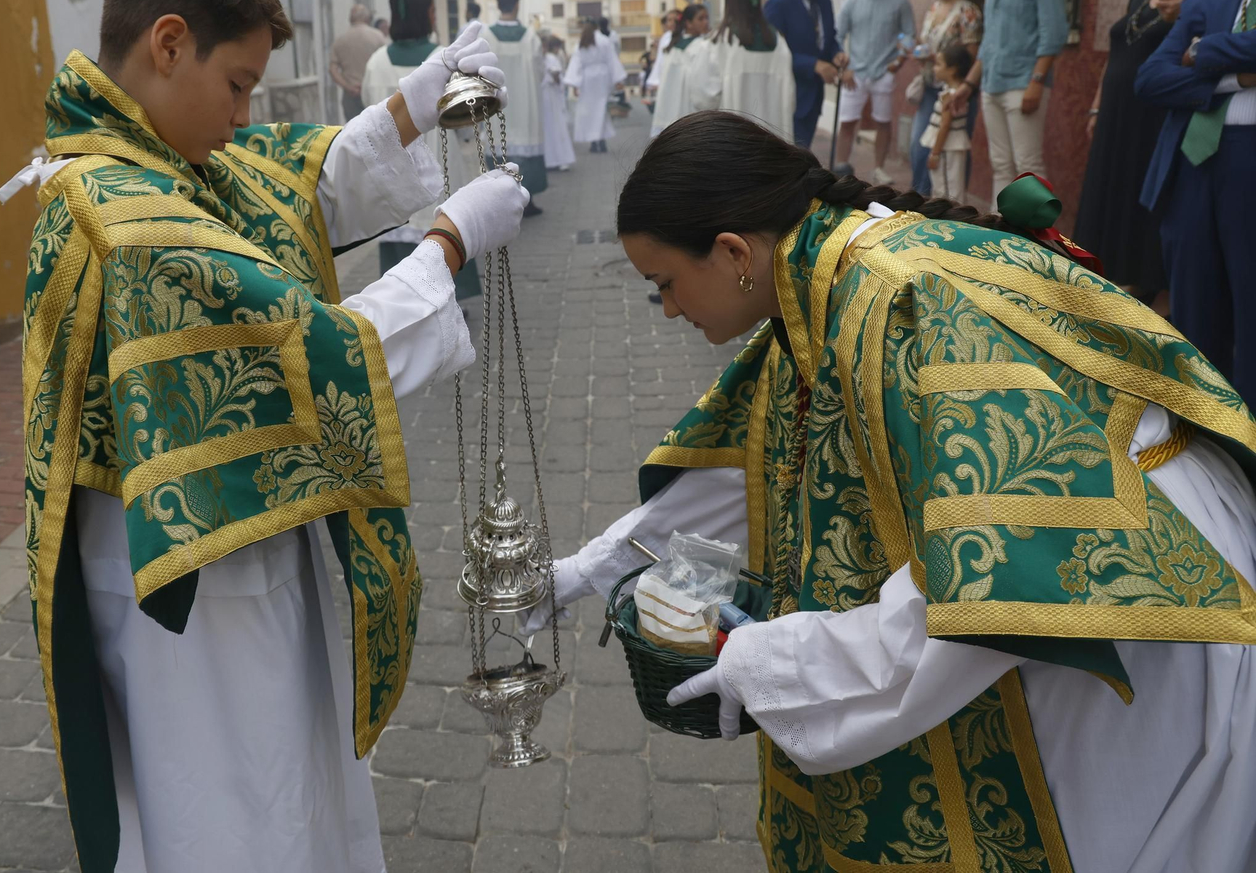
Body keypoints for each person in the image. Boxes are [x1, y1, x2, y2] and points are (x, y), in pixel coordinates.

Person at [526, 109, 1256, 873]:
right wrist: (589, 569)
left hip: (1138, 589)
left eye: (666, 284)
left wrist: (777, 662)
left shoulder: (891, 300)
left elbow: (995, 566)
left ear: (733, 251)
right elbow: (759, 461)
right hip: (1073, 553)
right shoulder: (811, 283)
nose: (670, 309)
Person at [8, 0, 529, 872]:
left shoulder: (154, 155)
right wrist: (446, 245)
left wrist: (408, 110)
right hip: (197, 588)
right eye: (238, 84)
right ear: (169, 45)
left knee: (285, 780)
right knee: (239, 803)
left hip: (227, 537)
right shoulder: (123, 212)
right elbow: (308, 350)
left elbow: (283, 187)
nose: (246, 115)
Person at [1137, 0, 1256, 404]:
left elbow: (1190, 58)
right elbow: (1152, 78)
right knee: (1192, 306)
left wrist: (1207, 53)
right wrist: (1236, 75)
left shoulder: (1205, 18)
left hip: (1249, 164)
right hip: (1191, 163)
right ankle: (1197, 423)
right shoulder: (1211, 1)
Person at [1076, 0, 1227, 310]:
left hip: (1157, 114)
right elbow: (1118, 49)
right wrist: (1095, 105)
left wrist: (1183, 17)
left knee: (1142, 192)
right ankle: (1105, 270)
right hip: (1116, 111)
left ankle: (1143, 284)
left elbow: (1204, 57)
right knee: (1110, 185)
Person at [360, 0, 482, 298]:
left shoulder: (375, 62)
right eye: (432, 11)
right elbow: (463, 120)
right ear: (424, 16)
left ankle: (401, 307)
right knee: (439, 233)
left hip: (390, 172)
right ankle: (447, 302)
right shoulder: (440, 59)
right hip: (439, 167)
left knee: (399, 243)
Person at [952, 0, 1069, 197]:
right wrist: (969, 84)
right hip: (991, 85)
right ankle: (1001, 231)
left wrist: (1037, 83)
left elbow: (1053, 31)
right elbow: (990, 39)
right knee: (1001, 164)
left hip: (1023, 84)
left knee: (1027, 165)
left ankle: (1035, 236)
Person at [833, 0, 915, 182]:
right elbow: (837, 36)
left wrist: (898, 62)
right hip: (855, 73)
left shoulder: (900, 0)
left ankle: (878, 168)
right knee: (847, 121)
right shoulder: (852, 0)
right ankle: (840, 168)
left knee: (883, 122)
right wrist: (842, 64)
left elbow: (909, 34)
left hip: (884, 72)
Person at [906, 0, 983, 196]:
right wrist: (920, 52)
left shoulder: (968, 11)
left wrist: (939, 59)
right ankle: (920, 201)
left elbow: (970, 55)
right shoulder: (934, 7)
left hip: (954, 90)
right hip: (930, 86)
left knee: (952, 154)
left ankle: (951, 207)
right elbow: (924, 40)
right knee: (919, 146)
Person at [765, 0, 844, 148]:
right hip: (789, 95)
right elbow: (772, 54)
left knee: (803, 155)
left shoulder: (825, 2)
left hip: (814, 97)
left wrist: (837, 54)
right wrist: (813, 65)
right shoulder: (778, 4)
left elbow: (829, 39)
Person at [482, 0, 547, 215]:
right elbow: (540, 71)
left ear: (499, 4)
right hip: (525, 105)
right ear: (517, 4)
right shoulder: (530, 37)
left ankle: (500, 203)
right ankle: (525, 201)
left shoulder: (486, 35)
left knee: (498, 146)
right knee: (525, 147)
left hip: (496, 106)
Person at [710, 0, 795, 142]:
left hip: (736, 140)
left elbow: (706, 95)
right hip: (775, 140)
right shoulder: (778, 40)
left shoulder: (723, 39)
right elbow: (790, 97)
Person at [648, 3, 713, 139]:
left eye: (707, 18)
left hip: (672, 112)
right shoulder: (702, 47)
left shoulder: (674, 45)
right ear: (688, 23)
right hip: (690, 110)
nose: (706, 22)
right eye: (701, 19)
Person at [919, 43, 974, 198]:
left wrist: (935, 153)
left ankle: (950, 220)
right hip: (950, 147)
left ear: (952, 69)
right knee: (950, 188)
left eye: (938, 64)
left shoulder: (950, 96)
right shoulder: (955, 92)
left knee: (945, 191)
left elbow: (944, 125)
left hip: (946, 149)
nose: (935, 68)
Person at [564, 19, 620, 153]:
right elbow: (612, 60)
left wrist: (574, 85)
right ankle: (602, 141)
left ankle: (594, 142)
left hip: (587, 79)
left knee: (590, 111)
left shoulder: (581, 42)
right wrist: (617, 79)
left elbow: (576, 64)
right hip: (602, 78)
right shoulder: (605, 41)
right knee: (601, 110)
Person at [327, 3, 385, 121]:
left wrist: (348, 87)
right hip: (373, 93)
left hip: (351, 96)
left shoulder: (340, 40)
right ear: (367, 18)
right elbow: (384, 64)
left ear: (350, 19)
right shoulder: (378, 37)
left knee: (354, 133)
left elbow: (332, 70)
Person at [540, 34, 576, 172]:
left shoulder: (552, 58)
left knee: (557, 127)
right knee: (545, 130)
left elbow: (560, 80)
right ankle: (547, 160)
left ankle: (561, 159)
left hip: (552, 97)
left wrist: (554, 77)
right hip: (541, 98)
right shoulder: (534, 60)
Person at [646, 7, 681, 101]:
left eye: (675, 19)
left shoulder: (682, 37)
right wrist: (655, 80)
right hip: (665, 79)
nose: (672, 22)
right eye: (669, 20)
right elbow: (660, 62)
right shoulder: (665, 38)